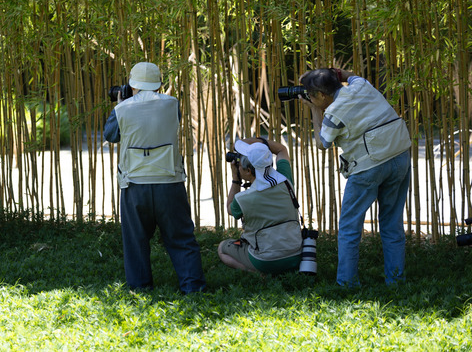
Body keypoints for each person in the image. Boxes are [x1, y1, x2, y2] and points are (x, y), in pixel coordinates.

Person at [299, 68, 411, 286]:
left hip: (369, 167)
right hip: (400, 157)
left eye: (312, 95)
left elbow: (323, 143)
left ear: (322, 95)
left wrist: (314, 111)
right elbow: (348, 75)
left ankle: (347, 284)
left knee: (350, 228)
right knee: (392, 224)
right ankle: (396, 281)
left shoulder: (334, 114)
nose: (310, 98)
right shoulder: (361, 85)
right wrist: (330, 74)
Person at [103, 62, 206, 294]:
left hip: (134, 184)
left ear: (132, 84)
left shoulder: (122, 109)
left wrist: (121, 105)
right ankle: (193, 288)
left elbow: (111, 135)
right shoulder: (173, 104)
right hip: (170, 182)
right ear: (159, 83)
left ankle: (140, 288)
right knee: (181, 237)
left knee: (136, 240)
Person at [218, 137, 303, 274]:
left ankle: (257, 273)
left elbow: (229, 209)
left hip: (265, 261)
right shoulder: (285, 179)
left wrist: (235, 179)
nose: (238, 166)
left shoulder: (244, 198)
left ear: (248, 172)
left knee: (222, 248)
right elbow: (282, 149)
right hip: (296, 255)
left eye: (240, 165)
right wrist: (259, 143)